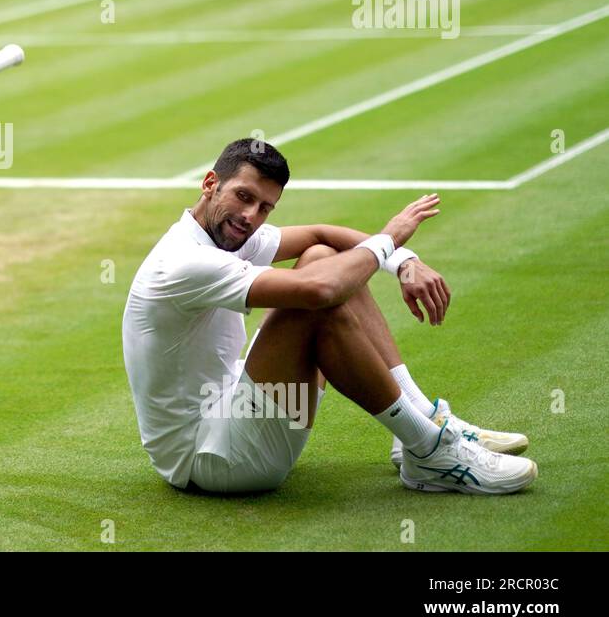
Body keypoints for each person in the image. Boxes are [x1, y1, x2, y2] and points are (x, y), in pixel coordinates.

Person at [122, 139, 536, 495]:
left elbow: (321, 236)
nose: (251, 217)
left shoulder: (227, 234)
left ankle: (421, 419)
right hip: (213, 461)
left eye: (265, 207)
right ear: (210, 184)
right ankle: (428, 449)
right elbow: (319, 291)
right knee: (317, 303)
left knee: (322, 258)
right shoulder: (181, 262)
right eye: (243, 197)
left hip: (233, 410)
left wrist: (405, 262)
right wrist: (391, 238)